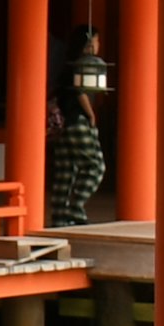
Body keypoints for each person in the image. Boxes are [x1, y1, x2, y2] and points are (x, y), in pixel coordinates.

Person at [45, 85, 108, 229]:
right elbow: (79, 93)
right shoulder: (76, 71)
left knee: (65, 172)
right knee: (95, 166)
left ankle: (59, 216)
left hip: (59, 126)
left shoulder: (56, 76)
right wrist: (91, 115)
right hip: (77, 122)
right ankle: (76, 207)